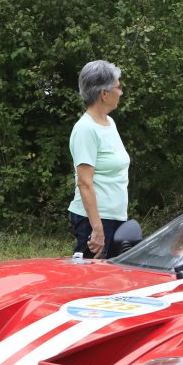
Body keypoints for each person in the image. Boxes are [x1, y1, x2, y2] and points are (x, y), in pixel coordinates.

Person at [68, 60, 130, 258]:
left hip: (115, 217)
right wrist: (97, 228)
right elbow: (84, 183)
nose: (121, 92)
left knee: (113, 274)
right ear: (104, 93)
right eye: (118, 87)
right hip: (95, 221)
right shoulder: (85, 129)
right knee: (91, 276)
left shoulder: (109, 122)